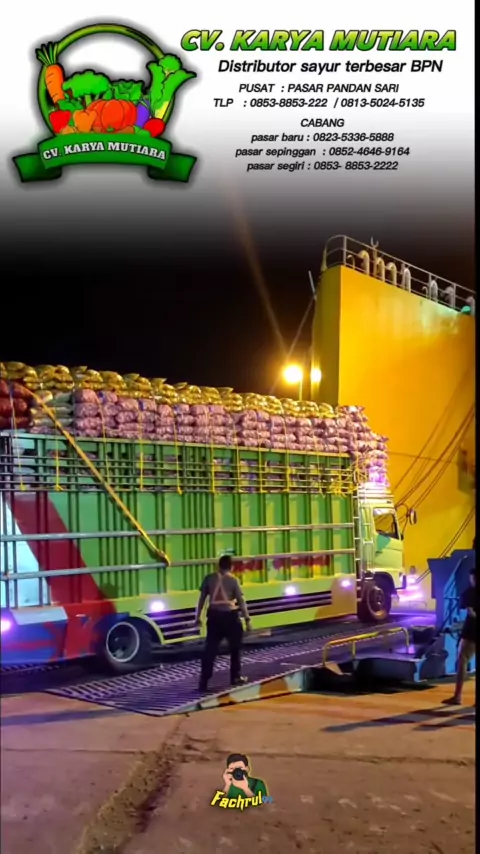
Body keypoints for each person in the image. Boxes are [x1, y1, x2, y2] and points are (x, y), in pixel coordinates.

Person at [195, 554, 251, 692]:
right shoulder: (233, 580)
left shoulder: (209, 578)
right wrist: (247, 619)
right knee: (235, 648)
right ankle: (235, 677)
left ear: (218, 565)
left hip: (214, 617)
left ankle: (203, 681)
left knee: (210, 649)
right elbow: (241, 601)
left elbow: (201, 599)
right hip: (230, 617)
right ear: (231, 567)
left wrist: (198, 617)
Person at [443, 567, 476, 706]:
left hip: (472, 631)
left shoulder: (469, 593)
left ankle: (457, 696)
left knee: (462, 659)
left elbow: (471, 613)